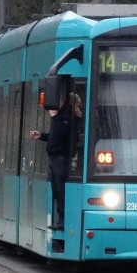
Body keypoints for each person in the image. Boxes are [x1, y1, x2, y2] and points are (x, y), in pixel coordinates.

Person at [30, 93, 82, 230]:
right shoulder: (60, 118)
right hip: (54, 157)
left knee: (61, 190)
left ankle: (63, 219)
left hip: (62, 157)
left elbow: (66, 134)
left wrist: (56, 118)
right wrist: (42, 136)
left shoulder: (66, 118)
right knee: (56, 190)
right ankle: (59, 218)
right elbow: (55, 136)